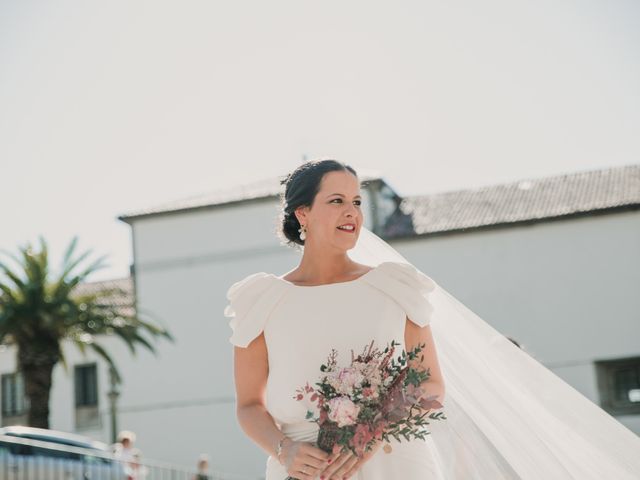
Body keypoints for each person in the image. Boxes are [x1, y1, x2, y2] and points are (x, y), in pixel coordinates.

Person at [224, 159, 640, 479]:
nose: (352, 212)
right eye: (336, 201)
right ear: (303, 214)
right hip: (303, 469)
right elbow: (248, 405)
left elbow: (430, 384)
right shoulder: (262, 301)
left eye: (355, 201)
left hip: (395, 462)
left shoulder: (394, 286)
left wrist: (369, 435)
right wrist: (284, 450)